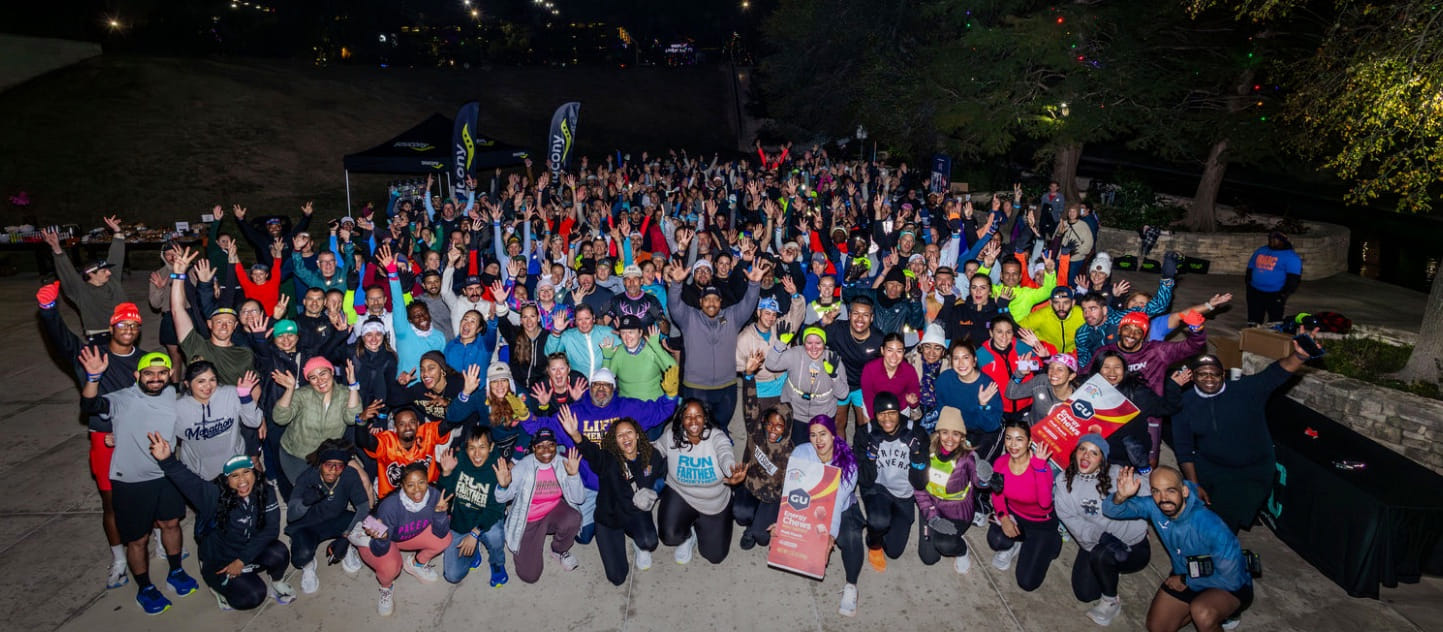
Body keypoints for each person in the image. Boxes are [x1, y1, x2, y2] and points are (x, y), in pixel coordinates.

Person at [37, 286, 145, 589]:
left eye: (134, 325)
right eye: (123, 323)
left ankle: (162, 543)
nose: (128, 329)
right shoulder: (94, 356)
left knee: (151, 497)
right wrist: (48, 312)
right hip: (104, 438)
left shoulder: (148, 360)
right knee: (111, 502)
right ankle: (119, 559)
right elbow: (65, 343)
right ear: (112, 326)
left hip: (140, 439)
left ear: (138, 330)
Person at [78, 349, 197, 615]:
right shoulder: (121, 399)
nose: (155, 378)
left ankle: (176, 571)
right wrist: (93, 377)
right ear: (137, 375)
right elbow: (90, 406)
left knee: (171, 524)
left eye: (161, 373)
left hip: (166, 474)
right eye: (149, 373)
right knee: (138, 539)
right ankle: (144, 587)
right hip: (131, 481)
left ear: (169, 375)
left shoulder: (170, 394)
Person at [1171, 337, 1319, 533]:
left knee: (1223, 523)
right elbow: (1184, 448)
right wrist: (1194, 483)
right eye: (1202, 374)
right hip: (1210, 467)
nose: (1209, 378)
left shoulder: (1246, 390)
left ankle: (1219, 556)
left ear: (1223, 375)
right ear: (1193, 377)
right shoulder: (1184, 404)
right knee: (1196, 514)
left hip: (1250, 470)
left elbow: (1276, 372)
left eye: (1214, 374)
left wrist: (1299, 355)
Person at [147, 436, 294, 610]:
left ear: (254, 472)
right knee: (253, 596)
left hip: (245, 553)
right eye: (234, 475)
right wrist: (167, 460)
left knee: (280, 553)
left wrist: (241, 561)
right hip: (220, 561)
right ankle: (219, 589)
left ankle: (276, 582)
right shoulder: (213, 496)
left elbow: (270, 530)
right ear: (226, 479)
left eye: (246, 472)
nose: (242, 481)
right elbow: (188, 481)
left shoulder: (265, 491)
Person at [1105, 466, 1253, 632]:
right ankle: (1194, 606)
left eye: (1170, 491)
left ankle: (1224, 613)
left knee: (1203, 613)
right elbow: (1111, 510)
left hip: (1227, 584)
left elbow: (1232, 578)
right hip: (1186, 573)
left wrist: (1185, 580)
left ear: (1184, 491)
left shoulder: (1211, 525)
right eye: (1156, 491)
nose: (1163, 498)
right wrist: (1121, 496)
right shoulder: (1154, 506)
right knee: (1157, 628)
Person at [557, 406, 666, 585]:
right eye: (620, 435)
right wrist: (575, 433)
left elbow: (663, 477)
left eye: (629, 433)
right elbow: (591, 452)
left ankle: (638, 544)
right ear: (615, 441)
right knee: (617, 578)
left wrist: (654, 490)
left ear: (637, 434)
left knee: (649, 541)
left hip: (635, 514)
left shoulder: (651, 457)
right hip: (609, 519)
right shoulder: (608, 460)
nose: (626, 438)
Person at [1055, 434, 1153, 626]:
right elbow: (1072, 522)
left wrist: (1145, 470)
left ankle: (1110, 601)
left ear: (1103, 459)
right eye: (1082, 449)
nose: (1086, 456)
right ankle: (1108, 567)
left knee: (1102, 558)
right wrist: (1103, 537)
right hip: (1097, 543)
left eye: (1094, 452)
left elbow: (1154, 494)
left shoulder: (1118, 473)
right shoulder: (1064, 481)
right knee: (1085, 593)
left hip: (1133, 547)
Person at [665, 257, 765, 430]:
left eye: (715, 299)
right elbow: (674, 305)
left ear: (721, 302)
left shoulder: (732, 316)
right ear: (700, 302)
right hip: (696, 388)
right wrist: (676, 284)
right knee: (696, 432)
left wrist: (754, 284)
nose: (711, 303)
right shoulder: (689, 317)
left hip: (726, 388)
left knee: (721, 430)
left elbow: (748, 304)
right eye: (707, 299)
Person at [652, 398, 747, 565]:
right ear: (681, 419)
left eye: (698, 416)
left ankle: (700, 529)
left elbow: (725, 454)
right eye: (688, 416)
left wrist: (731, 469)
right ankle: (687, 536)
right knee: (669, 536)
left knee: (715, 556)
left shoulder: (717, 437)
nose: (693, 421)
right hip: (681, 494)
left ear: (705, 418)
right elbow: (655, 450)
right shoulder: (671, 437)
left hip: (713, 503)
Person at [351, 464, 453, 616]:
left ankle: (416, 564)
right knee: (391, 567)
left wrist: (439, 513)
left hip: (404, 534)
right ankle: (386, 588)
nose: (417, 490)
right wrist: (383, 537)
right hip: (378, 539)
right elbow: (379, 550)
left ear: (428, 480)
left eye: (421, 482)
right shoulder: (389, 507)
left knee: (445, 539)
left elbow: (441, 532)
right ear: (402, 486)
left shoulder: (434, 495)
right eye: (410, 485)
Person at [790, 414, 864, 617]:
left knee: (851, 537)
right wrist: (784, 522)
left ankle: (851, 586)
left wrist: (829, 537)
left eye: (823, 434)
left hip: (841, 509)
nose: (818, 440)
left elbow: (837, 500)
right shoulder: (800, 453)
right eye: (813, 435)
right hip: (809, 505)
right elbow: (791, 490)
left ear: (833, 435)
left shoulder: (848, 463)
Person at [495, 428, 586, 583]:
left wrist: (573, 476)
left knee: (573, 517)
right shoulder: (523, 467)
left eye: (550, 445)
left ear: (556, 446)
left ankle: (559, 550)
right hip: (528, 520)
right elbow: (501, 498)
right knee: (529, 576)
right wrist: (503, 486)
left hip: (553, 511)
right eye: (540, 446)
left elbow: (579, 499)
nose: (546, 450)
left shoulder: (562, 463)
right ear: (533, 448)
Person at [854, 391, 928, 573]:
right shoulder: (865, 433)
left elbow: (920, 484)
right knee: (879, 521)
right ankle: (874, 543)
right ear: (875, 415)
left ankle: (885, 527)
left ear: (899, 412)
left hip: (904, 492)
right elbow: (864, 479)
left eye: (892, 413)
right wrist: (870, 456)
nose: (887, 419)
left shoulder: (916, 432)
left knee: (894, 551)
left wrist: (917, 455)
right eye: (882, 414)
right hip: (877, 487)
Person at [285, 439, 370, 594]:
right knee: (301, 557)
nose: (333, 470)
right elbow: (291, 516)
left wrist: (346, 537)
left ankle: (348, 548)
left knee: (373, 527)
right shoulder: (307, 478)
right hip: (308, 524)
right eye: (328, 464)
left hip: (337, 518)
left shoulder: (349, 475)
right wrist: (305, 503)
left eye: (339, 466)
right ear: (320, 463)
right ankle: (309, 565)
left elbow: (363, 507)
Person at [987, 419, 1062, 591]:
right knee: (996, 539)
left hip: (1041, 524)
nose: (1013, 444)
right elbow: (997, 495)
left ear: (1029, 442)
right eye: (1008, 438)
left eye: (1019, 439)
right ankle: (1017, 543)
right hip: (1016, 516)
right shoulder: (1001, 463)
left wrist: (1040, 468)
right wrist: (1004, 518)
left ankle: (1050, 542)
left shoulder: (1041, 467)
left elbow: (1045, 503)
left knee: (1027, 583)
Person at [915, 406, 989, 574]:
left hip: (957, 513)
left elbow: (979, 482)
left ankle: (962, 550)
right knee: (929, 558)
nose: (950, 439)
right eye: (945, 432)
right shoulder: (926, 451)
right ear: (938, 433)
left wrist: (987, 478)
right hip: (931, 508)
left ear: (962, 437)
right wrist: (932, 517)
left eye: (956, 434)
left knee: (945, 545)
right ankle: (942, 531)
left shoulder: (968, 457)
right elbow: (918, 488)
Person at [733, 350, 793, 550]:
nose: (773, 429)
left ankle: (757, 525)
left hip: (772, 497)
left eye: (779, 426)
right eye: (770, 423)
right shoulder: (756, 430)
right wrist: (748, 376)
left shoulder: (791, 453)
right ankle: (750, 524)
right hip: (751, 486)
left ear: (787, 427)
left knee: (763, 537)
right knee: (740, 514)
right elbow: (750, 402)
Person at [436, 427, 511, 587]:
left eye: (482, 447)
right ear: (466, 448)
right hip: (461, 522)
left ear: (490, 447)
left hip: (487, 521)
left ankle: (497, 563)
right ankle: (473, 553)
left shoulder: (498, 468)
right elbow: (445, 494)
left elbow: (495, 509)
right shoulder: (460, 460)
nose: (477, 454)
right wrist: (446, 473)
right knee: (452, 575)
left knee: (495, 535)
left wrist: (474, 534)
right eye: (472, 448)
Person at [271, 357, 364, 484]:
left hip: (327, 455)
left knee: (359, 481)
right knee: (305, 492)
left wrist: (353, 386)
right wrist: (290, 389)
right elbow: (280, 418)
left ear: (332, 372)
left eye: (323, 373)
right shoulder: (302, 395)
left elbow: (352, 419)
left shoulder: (345, 394)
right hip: (296, 455)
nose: (320, 380)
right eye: (313, 377)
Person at [170, 247, 255, 384]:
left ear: (235, 325)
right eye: (219, 322)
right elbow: (178, 309)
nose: (224, 325)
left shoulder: (245, 354)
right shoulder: (197, 346)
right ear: (209, 323)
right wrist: (180, 275)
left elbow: (229, 293)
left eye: (229, 322)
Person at [1091, 350, 1184, 469]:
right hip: (1095, 458)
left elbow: (1167, 407)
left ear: (1124, 370)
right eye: (1106, 367)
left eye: (1117, 367)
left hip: (1127, 461)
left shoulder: (1137, 393)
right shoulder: (1088, 390)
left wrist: (1173, 386)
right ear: (1098, 370)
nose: (1112, 372)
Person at [172, 363, 263, 480]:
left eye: (212, 380)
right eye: (201, 381)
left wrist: (245, 397)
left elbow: (254, 422)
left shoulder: (230, 394)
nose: (208, 386)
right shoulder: (177, 409)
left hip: (235, 467)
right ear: (187, 384)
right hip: (199, 473)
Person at [42, 218, 127, 343]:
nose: (109, 272)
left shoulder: (112, 280)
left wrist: (117, 231)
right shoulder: (81, 291)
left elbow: (116, 255)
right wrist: (56, 247)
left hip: (124, 329)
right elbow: (67, 272)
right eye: (103, 271)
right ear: (91, 274)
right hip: (100, 336)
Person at [767, 325, 848, 445]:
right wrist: (779, 344)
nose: (814, 347)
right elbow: (770, 365)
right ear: (804, 343)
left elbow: (843, 394)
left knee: (819, 450)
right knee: (794, 447)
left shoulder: (833, 359)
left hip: (822, 415)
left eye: (818, 343)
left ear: (824, 343)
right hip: (794, 412)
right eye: (809, 343)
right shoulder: (795, 354)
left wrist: (834, 376)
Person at [935, 341, 1004, 461]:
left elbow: (992, 426)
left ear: (974, 360)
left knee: (976, 466)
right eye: (956, 358)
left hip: (982, 431)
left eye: (966, 357)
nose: (961, 363)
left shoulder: (987, 385)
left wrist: (983, 405)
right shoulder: (945, 379)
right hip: (956, 430)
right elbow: (941, 410)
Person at [602, 316, 677, 401]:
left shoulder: (651, 350)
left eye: (631, 332)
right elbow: (604, 381)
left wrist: (657, 347)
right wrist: (607, 358)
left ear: (640, 333)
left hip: (652, 406)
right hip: (626, 408)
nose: (627, 337)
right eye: (623, 333)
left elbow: (673, 369)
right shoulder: (618, 352)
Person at [546, 304, 619, 378]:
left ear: (593, 318)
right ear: (575, 321)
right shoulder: (568, 336)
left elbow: (625, 350)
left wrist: (623, 333)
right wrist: (556, 332)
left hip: (603, 384)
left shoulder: (607, 332)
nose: (584, 323)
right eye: (580, 320)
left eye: (587, 318)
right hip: (579, 385)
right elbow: (550, 355)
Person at [1245, 231, 1302, 326]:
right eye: (1270, 238)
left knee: (1274, 321)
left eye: (1275, 239)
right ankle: (1252, 332)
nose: (1271, 241)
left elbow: (1293, 279)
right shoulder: (1261, 250)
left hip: (1275, 293)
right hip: (1254, 290)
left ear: (1283, 241)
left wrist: (1283, 294)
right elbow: (1250, 267)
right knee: (1254, 318)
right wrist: (1248, 283)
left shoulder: (1291, 257)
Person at [860, 334, 921, 420]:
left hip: (899, 410)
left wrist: (913, 401)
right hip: (874, 408)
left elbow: (915, 393)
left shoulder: (909, 370)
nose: (894, 356)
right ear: (882, 350)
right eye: (890, 350)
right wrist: (875, 420)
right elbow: (868, 397)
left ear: (904, 352)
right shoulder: (870, 369)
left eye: (899, 351)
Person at [1005, 353, 1078, 422]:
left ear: (1071, 376)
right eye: (1051, 367)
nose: (1053, 373)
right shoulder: (1041, 381)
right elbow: (1011, 394)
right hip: (1028, 429)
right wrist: (1019, 373)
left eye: (1060, 369)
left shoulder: (1077, 402)